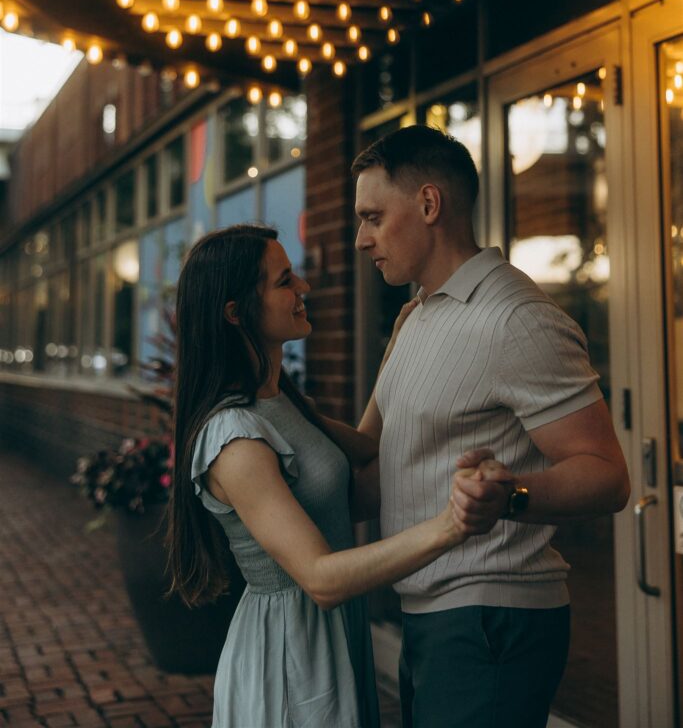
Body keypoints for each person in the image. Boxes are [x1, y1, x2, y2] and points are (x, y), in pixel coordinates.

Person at [166, 224, 509, 728]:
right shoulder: (235, 438)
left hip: (328, 638)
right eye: (285, 281)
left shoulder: (277, 401)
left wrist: (397, 351)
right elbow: (322, 579)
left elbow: (369, 448)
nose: (303, 288)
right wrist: (453, 525)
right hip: (290, 655)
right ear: (235, 312)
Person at [352, 124, 631, 728]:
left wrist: (511, 494)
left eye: (373, 216)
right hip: (426, 611)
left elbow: (609, 477)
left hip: (490, 618)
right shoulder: (414, 317)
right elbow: (370, 459)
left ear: (429, 204)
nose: (360, 239)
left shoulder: (516, 319)